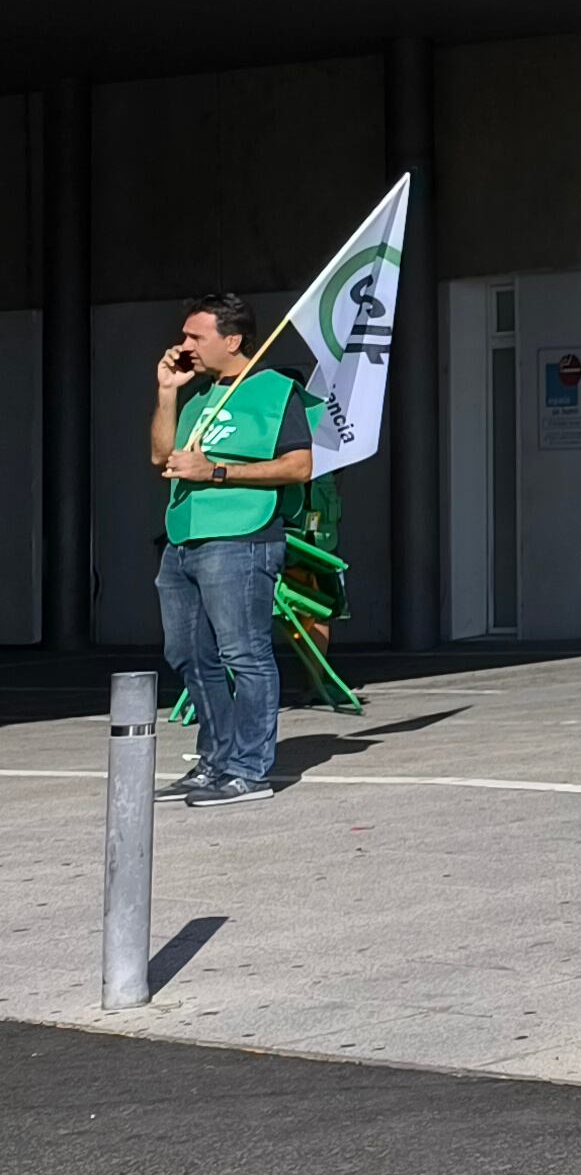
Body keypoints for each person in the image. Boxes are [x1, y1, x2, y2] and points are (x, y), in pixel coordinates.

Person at [148, 295, 315, 808]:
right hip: (183, 539)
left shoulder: (274, 392)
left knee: (244, 653)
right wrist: (168, 394)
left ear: (234, 340)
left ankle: (248, 769)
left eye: (196, 337)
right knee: (188, 654)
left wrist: (216, 472)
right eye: (185, 335)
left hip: (241, 538)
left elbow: (299, 467)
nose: (185, 346)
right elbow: (160, 455)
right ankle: (215, 760)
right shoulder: (197, 398)